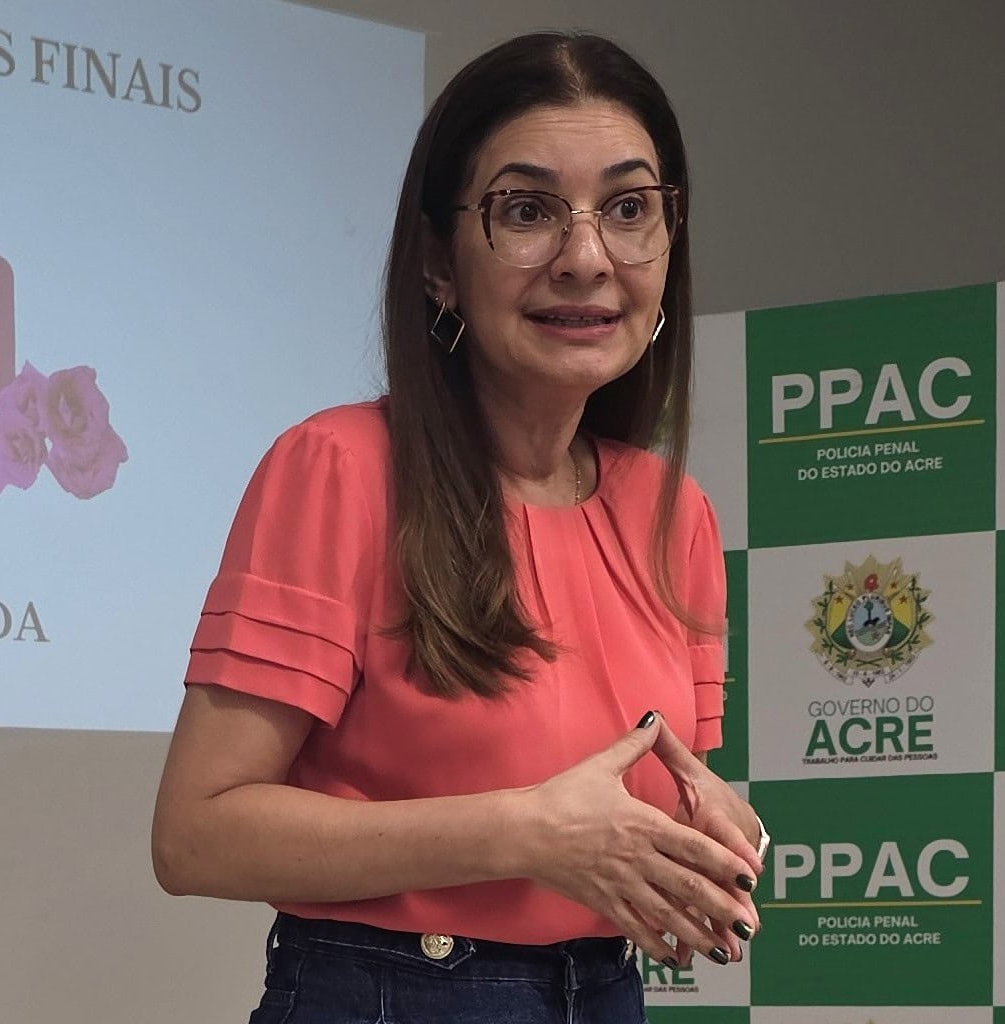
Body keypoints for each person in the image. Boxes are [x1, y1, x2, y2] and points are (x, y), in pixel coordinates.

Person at [151, 30, 767, 1024]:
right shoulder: (338, 468)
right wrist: (523, 833)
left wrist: (708, 832)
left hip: (607, 993)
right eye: (526, 211)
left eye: (628, 209)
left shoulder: (674, 512)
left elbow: (630, 798)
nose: (585, 258)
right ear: (439, 262)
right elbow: (195, 837)